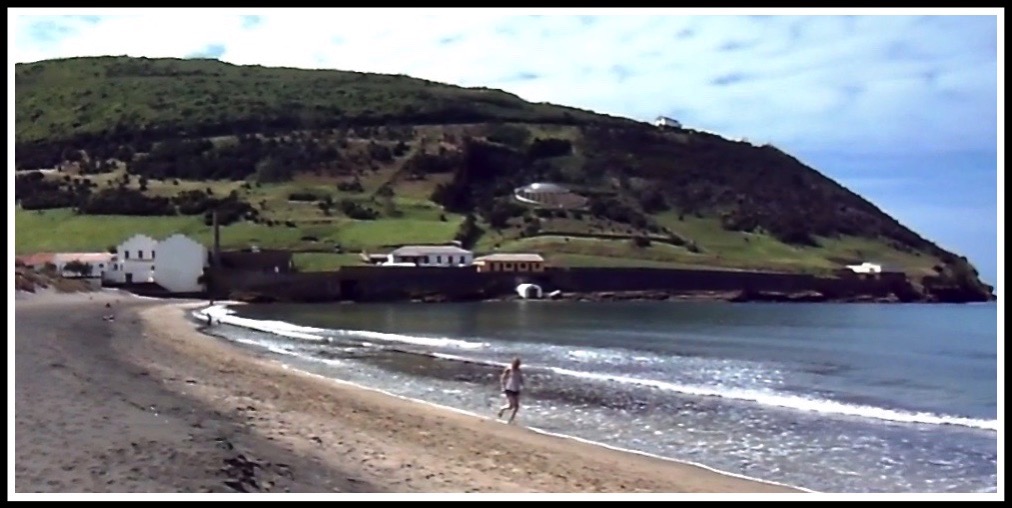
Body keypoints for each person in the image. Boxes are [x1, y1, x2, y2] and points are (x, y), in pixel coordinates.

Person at [497, 357, 524, 424]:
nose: (517, 365)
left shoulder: (519, 370)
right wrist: (503, 387)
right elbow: (502, 378)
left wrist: (522, 384)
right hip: (509, 389)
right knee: (511, 406)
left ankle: (511, 420)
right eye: (516, 363)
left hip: (516, 389)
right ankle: (502, 409)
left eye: (518, 364)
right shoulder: (509, 369)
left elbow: (520, 378)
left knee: (517, 407)